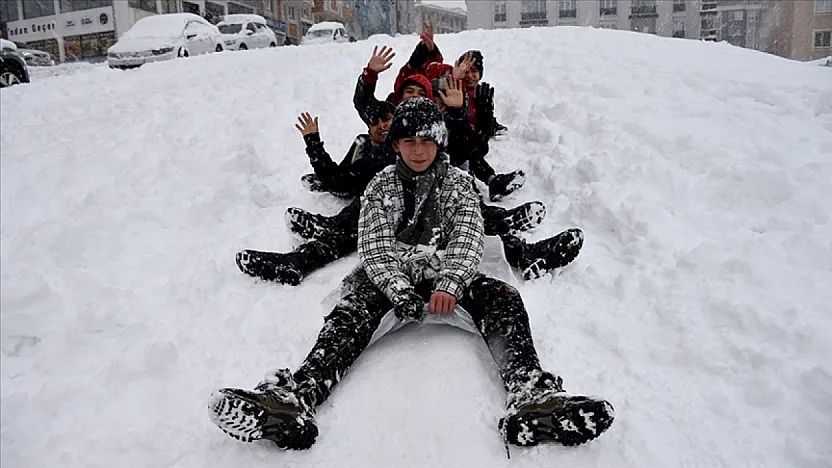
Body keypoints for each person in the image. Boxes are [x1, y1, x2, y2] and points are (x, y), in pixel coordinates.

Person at [209, 99, 614, 450]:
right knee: (350, 313)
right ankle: (295, 398)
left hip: (447, 271)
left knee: (503, 298)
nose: (418, 150)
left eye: (426, 141)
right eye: (409, 141)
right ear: (396, 145)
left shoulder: (458, 184)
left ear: (439, 142)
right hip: (395, 275)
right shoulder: (381, 186)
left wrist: (450, 282)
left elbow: (468, 237)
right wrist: (397, 289)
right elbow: (374, 245)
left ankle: (531, 396)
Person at [354, 46, 523, 201]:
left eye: (421, 93)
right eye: (409, 91)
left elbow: (465, 147)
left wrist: (469, 115)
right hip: (389, 172)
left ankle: (486, 192)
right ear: (400, 95)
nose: (415, 96)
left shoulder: (434, 122)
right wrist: (369, 75)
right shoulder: (391, 112)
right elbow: (364, 104)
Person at [298, 101, 396, 198]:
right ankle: (340, 174)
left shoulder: (380, 156)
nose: (381, 126)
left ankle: (343, 184)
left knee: (343, 180)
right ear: (370, 133)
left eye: (386, 119)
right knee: (362, 140)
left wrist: (313, 144)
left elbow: (339, 181)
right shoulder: (391, 143)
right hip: (351, 175)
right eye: (375, 123)